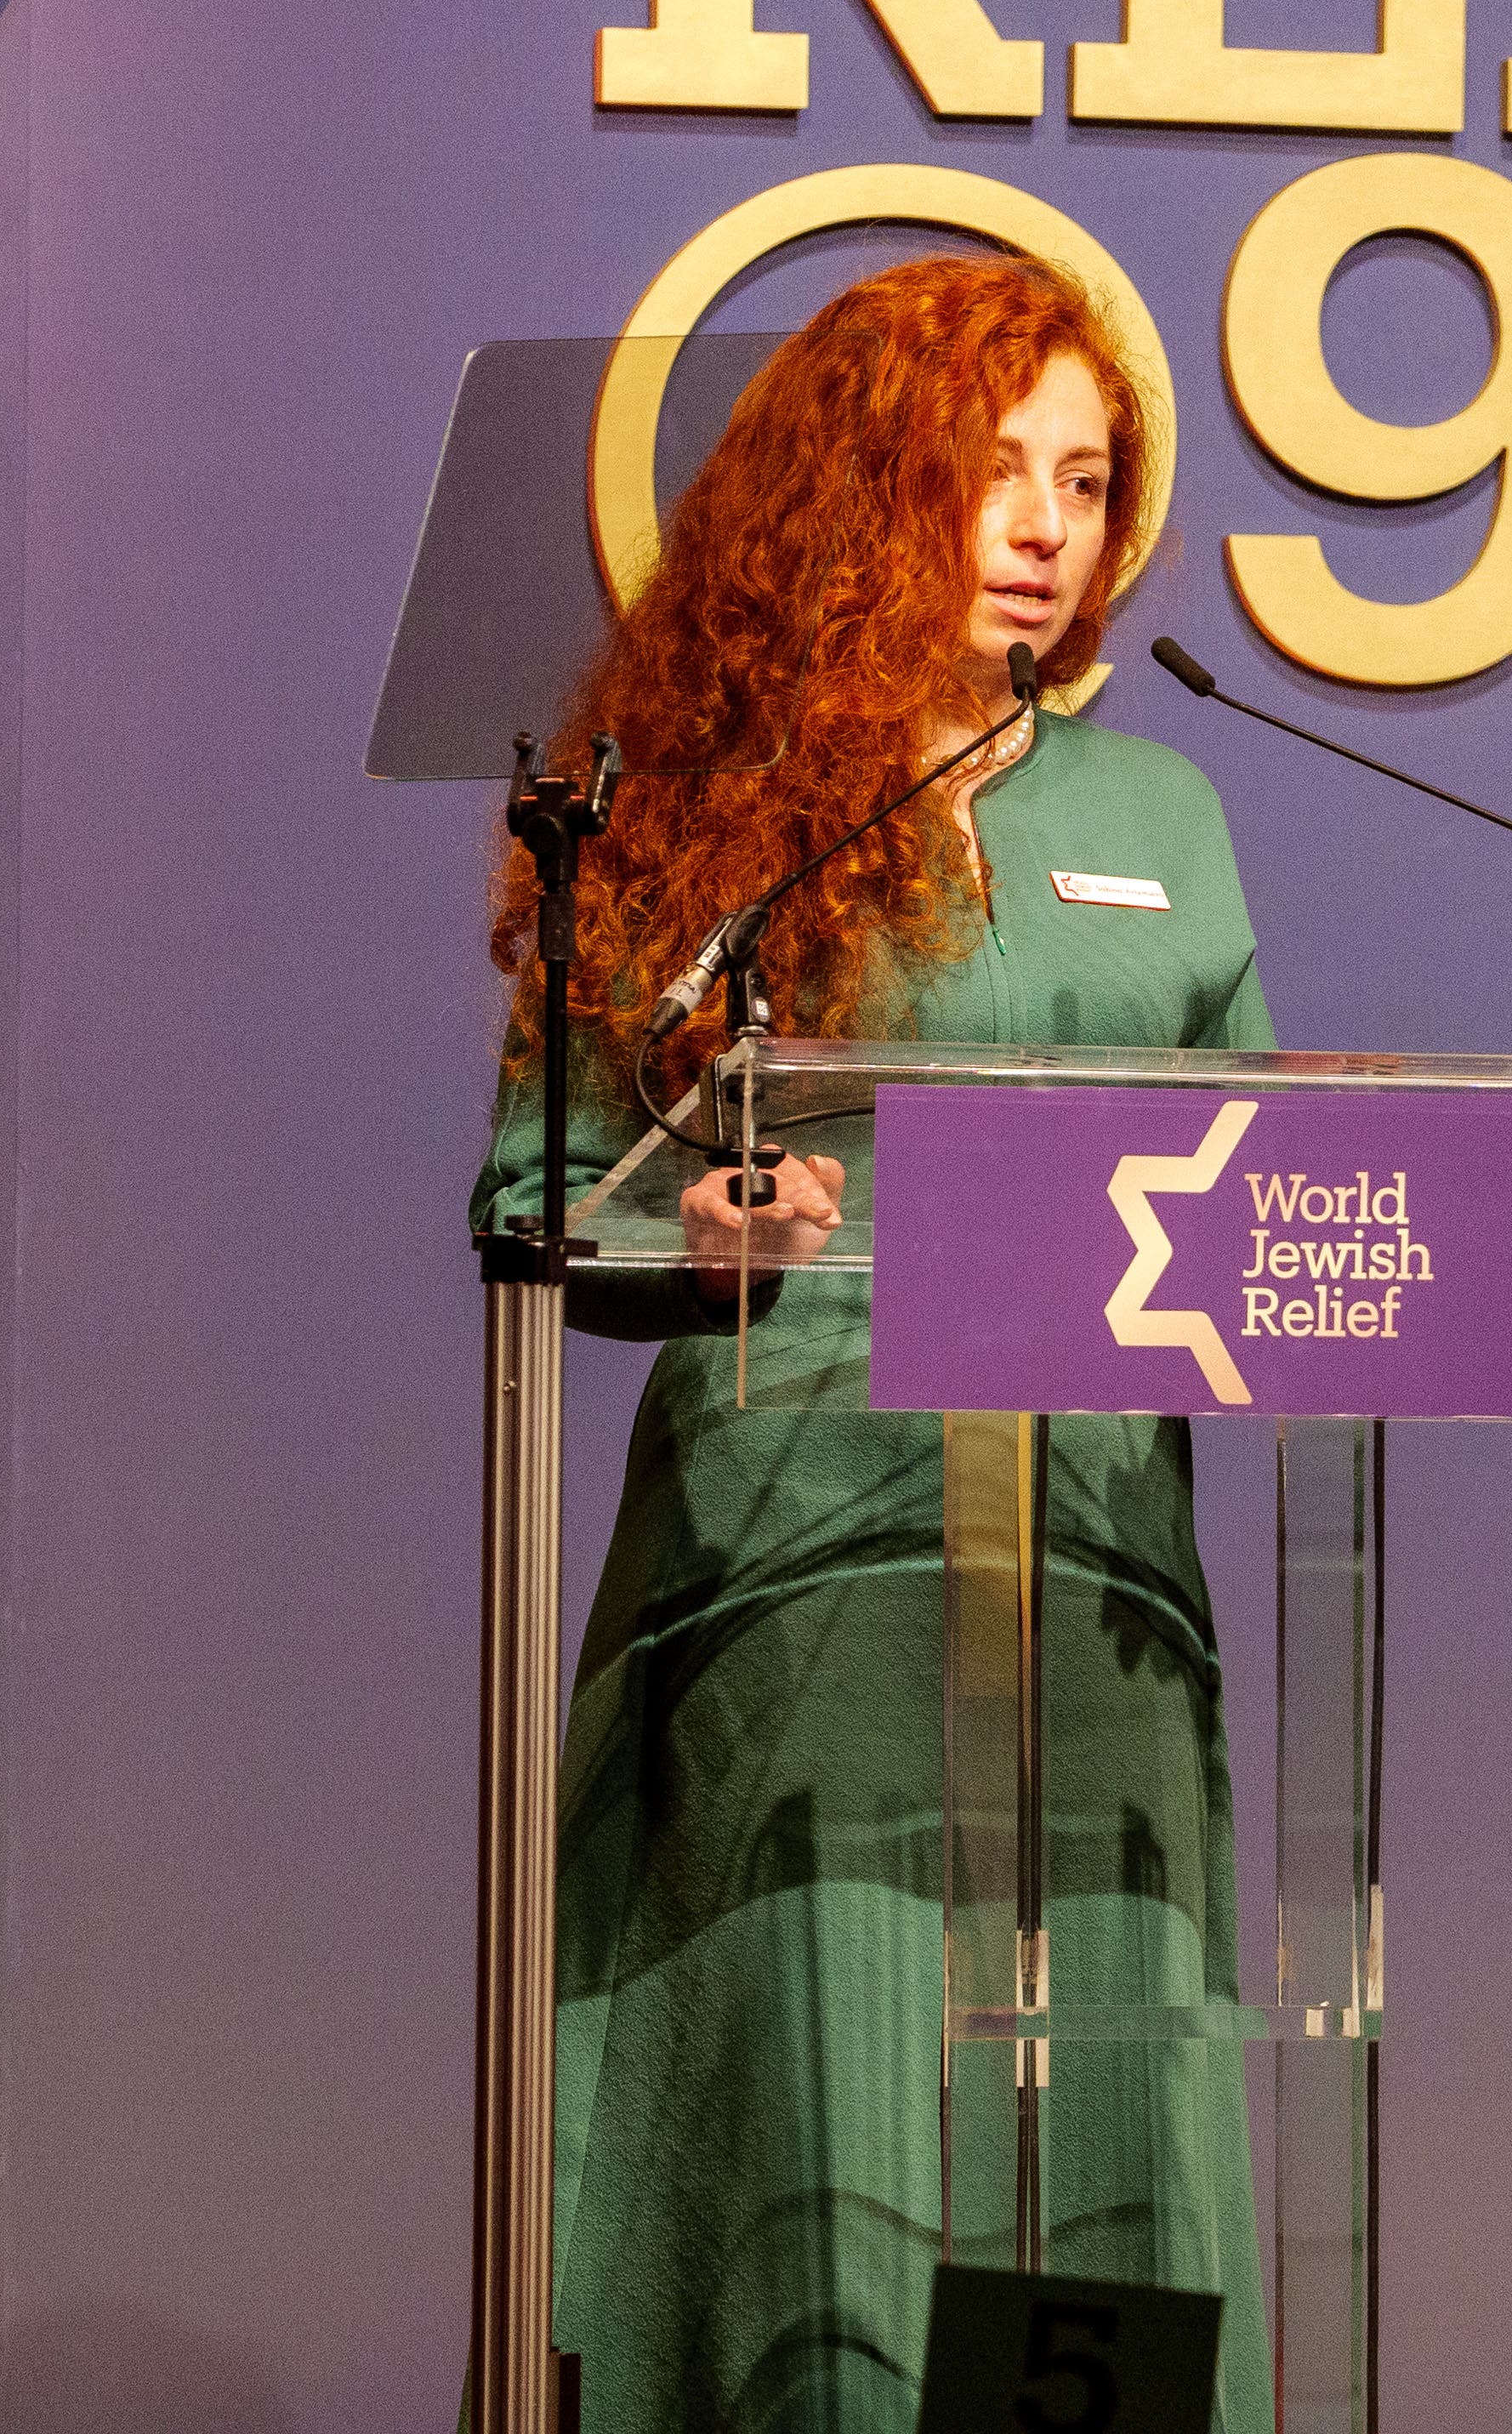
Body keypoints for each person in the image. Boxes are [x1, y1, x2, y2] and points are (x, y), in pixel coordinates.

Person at [472, 255, 1275, 2434]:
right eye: (992, 466)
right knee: (833, 2212)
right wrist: (693, 1218)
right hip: (802, 1605)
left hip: (1091, 1615)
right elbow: (531, 1191)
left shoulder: (1169, 818)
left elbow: (1287, 1195)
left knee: (1084, 2179)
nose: (1045, 520)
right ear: (864, 488)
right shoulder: (695, 798)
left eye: (1087, 479)